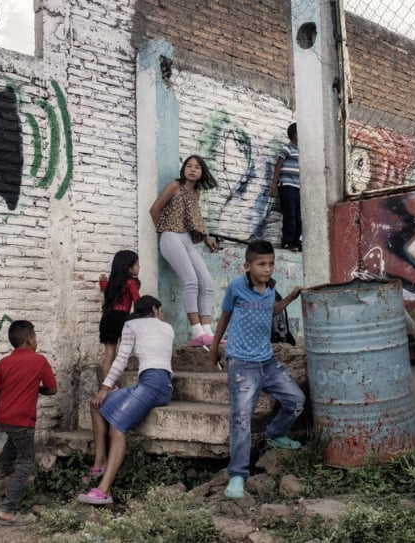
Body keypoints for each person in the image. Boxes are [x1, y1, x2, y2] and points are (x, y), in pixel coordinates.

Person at [208, 239, 306, 500]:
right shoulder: (236, 287)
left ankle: (274, 434)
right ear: (247, 265)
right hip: (241, 363)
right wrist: (214, 347)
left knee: (296, 400)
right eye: (261, 264)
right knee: (241, 418)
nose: (267, 269)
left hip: (268, 361)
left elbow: (270, 311)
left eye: (271, 264)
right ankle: (238, 474)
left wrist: (290, 297)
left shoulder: (271, 287)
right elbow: (225, 317)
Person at [78, 295, 175, 505]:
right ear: (155, 309)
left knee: (117, 428)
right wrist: (105, 391)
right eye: (161, 310)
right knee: (96, 404)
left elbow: (121, 359)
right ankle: (100, 462)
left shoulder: (132, 325)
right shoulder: (167, 328)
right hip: (159, 384)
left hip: (152, 384)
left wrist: (105, 387)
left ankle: (104, 490)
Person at [0, 320, 57, 526]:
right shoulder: (39, 361)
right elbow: (52, 389)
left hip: (3, 417)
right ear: (29, 339)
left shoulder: (4, 362)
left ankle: (0, 470)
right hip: (22, 419)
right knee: (26, 461)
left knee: (14, 438)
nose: (36, 340)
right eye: (35, 336)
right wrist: (35, 389)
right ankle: (7, 510)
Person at [150, 154, 221, 347]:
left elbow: (194, 220)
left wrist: (206, 238)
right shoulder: (175, 186)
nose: (192, 169)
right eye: (189, 166)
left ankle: (207, 331)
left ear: (202, 172)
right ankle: (196, 332)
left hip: (186, 239)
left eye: (197, 167)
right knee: (190, 281)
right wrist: (164, 230)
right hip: (171, 236)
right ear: (184, 170)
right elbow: (155, 208)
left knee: (206, 281)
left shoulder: (195, 194)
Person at [98, 250, 141, 381]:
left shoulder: (112, 283)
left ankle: (107, 385)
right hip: (122, 318)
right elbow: (137, 301)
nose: (139, 267)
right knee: (123, 355)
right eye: (137, 264)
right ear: (129, 268)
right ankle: (118, 381)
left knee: (109, 354)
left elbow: (105, 288)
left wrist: (102, 282)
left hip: (108, 318)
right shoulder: (130, 283)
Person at [268, 123, 301, 252]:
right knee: (290, 214)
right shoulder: (288, 149)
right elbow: (278, 165)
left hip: (298, 187)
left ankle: (296, 242)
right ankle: (287, 242)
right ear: (295, 135)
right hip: (287, 185)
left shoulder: (302, 151)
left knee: (298, 216)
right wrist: (273, 184)